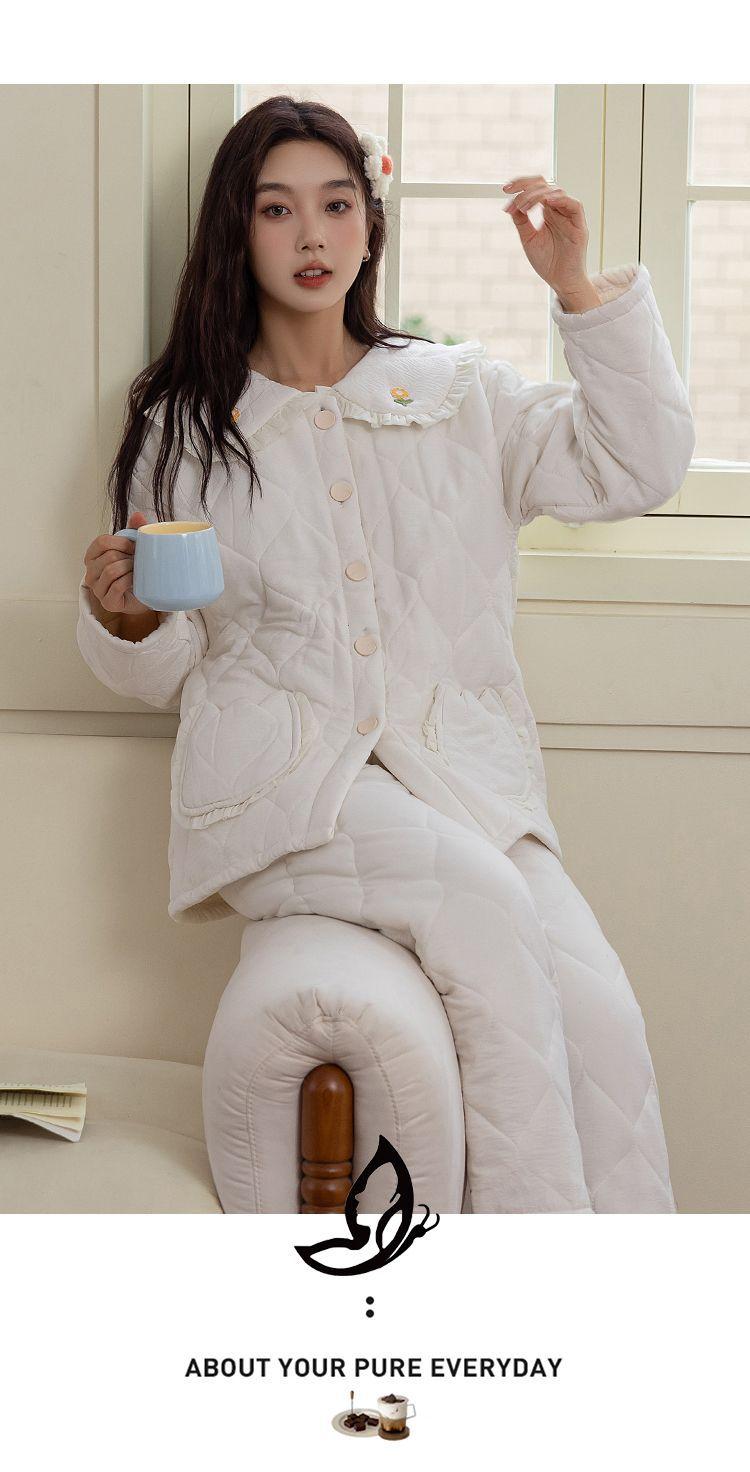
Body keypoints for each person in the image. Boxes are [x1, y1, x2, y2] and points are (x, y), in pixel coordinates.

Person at [76, 95, 695, 1213]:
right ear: (237, 232)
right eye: (277, 210)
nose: (311, 235)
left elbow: (637, 466)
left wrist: (575, 290)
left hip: (465, 783)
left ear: (371, 223)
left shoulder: (459, 395)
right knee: (483, 904)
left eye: (336, 204)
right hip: (285, 790)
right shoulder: (186, 425)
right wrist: (127, 623)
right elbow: (163, 670)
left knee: (601, 1011)